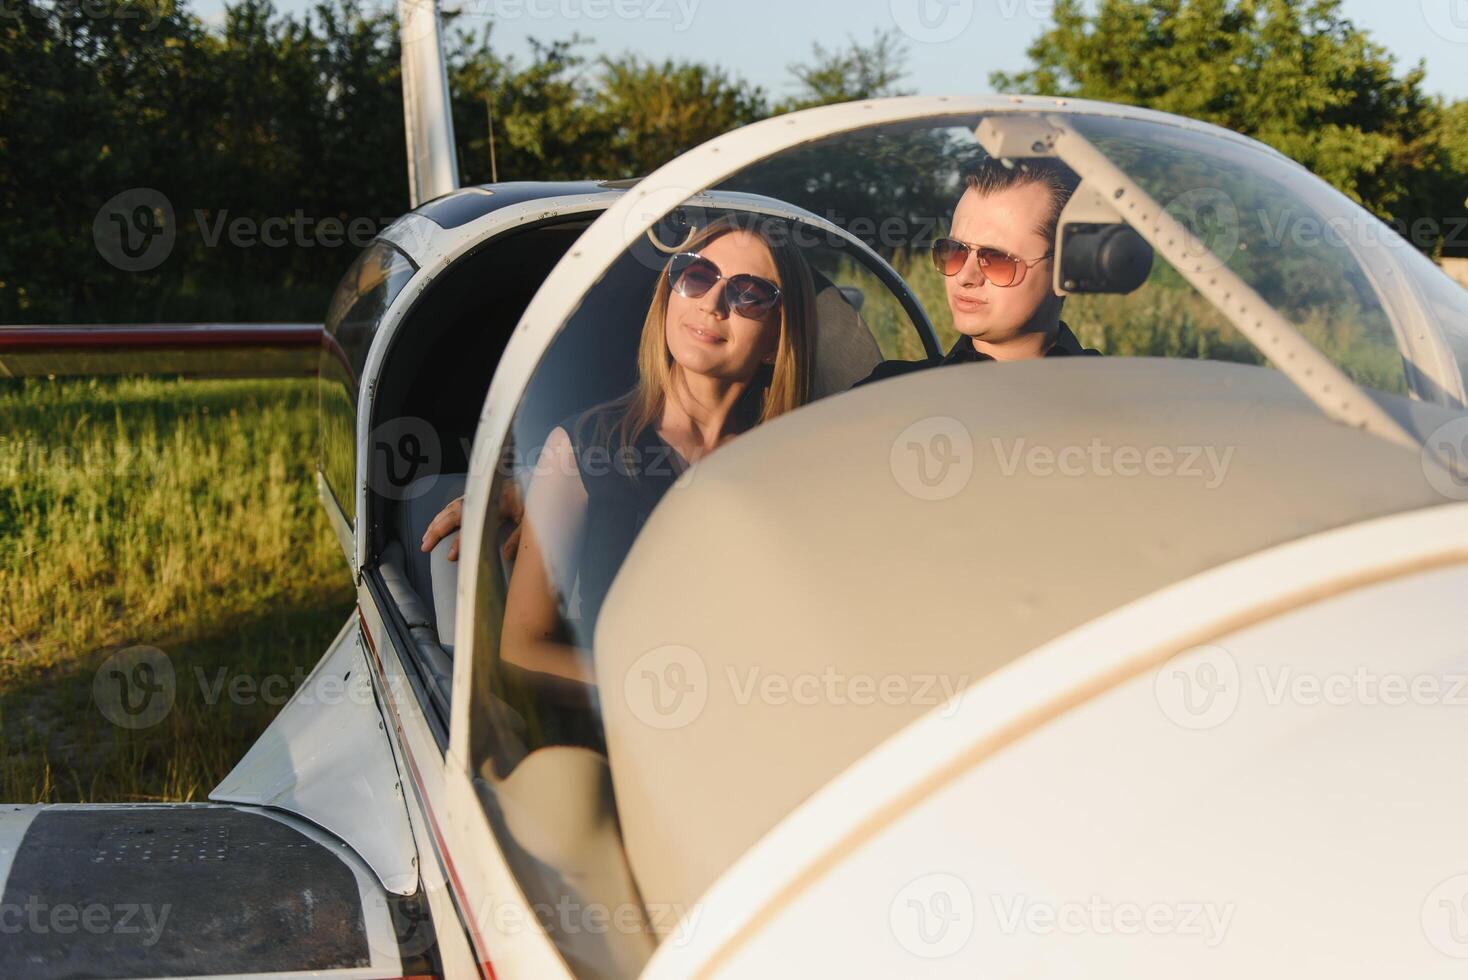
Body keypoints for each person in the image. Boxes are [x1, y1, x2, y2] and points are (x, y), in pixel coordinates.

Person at [421, 215, 816, 685]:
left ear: (778, 337)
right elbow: (523, 649)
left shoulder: (797, 463)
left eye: (748, 294)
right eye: (697, 275)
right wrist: (660, 694)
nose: (713, 303)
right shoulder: (584, 448)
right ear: (669, 295)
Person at [860, 158, 1099, 386]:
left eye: (997, 259)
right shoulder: (888, 393)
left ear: (1066, 269)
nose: (964, 277)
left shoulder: (1118, 396)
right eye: (954, 251)